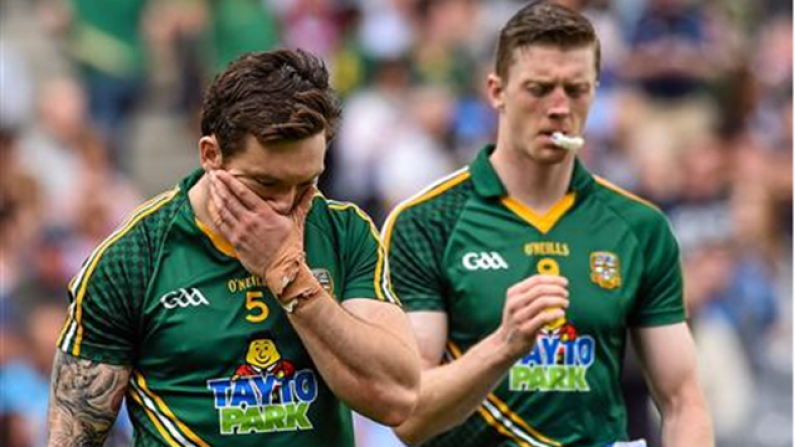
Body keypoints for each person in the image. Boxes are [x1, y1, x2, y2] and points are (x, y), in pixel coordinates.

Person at [47, 48, 420, 447]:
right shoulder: (133, 257)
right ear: (210, 154)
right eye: (266, 184)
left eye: (307, 182)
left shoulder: (344, 233)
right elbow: (74, 435)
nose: (286, 205)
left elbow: (397, 398)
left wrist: (291, 279)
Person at [382, 2, 713, 446]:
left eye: (576, 90)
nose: (559, 108)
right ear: (496, 91)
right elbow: (409, 416)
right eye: (539, 89)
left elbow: (683, 400)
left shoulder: (639, 226)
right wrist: (506, 343)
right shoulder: (424, 221)